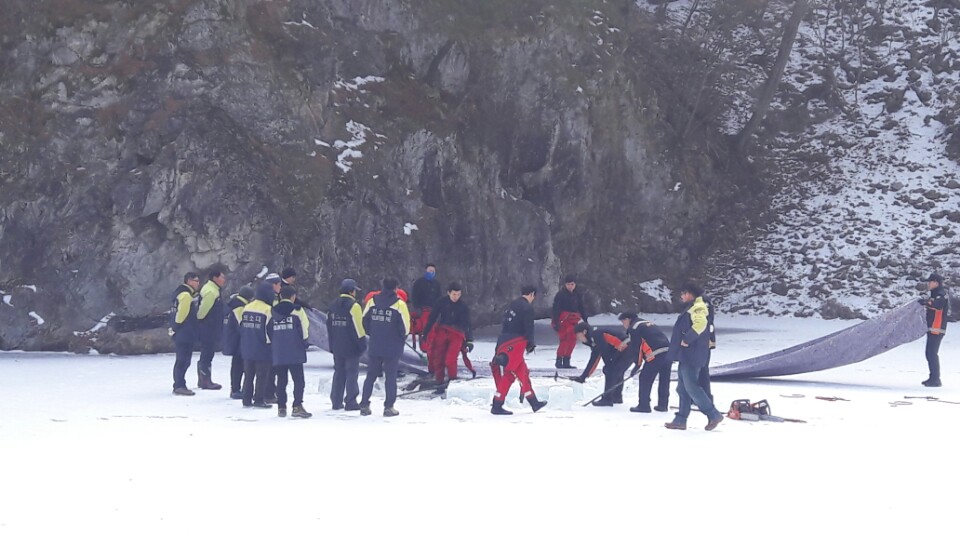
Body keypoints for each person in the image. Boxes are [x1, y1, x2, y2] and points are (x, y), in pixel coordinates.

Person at [664, 283, 724, 431]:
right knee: (682, 388)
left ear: (691, 294)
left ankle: (713, 414)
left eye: (684, 293)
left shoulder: (698, 307)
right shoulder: (693, 307)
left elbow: (701, 323)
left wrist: (687, 339)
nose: (682, 296)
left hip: (692, 354)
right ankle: (680, 420)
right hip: (686, 354)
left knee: (691, 387)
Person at [490, 285, 547, 415]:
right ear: (532, 294)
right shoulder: (527, 307)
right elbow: (529, 327)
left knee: (522, 371)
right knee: (510, 374)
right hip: (516, 343)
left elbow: (505, 324)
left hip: (504, 342)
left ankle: (533, 402)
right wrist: (530, 343)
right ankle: (497, 404)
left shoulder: (512, 305)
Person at [360, 277, 411, 417]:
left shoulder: (372, 301)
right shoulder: (399, 304)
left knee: (370, 376)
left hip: (375, 344)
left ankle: (364, 404)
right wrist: (399, 339)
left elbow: (364, 321)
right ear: (396, 288)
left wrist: (373, 334)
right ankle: (389, 407)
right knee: (390, 378)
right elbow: (405, 328)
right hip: (392, 347)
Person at [268, 285, 312, 418]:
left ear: (280, 296)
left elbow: (268, 329)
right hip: (295, 350)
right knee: (298, 380)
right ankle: (297, 406)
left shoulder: (272, 311)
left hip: (279, 351)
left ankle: (281, 407)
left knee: (281, 380)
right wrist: (304, 342)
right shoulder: (297, 310)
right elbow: (305, 328)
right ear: (293, 297)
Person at [617, 313, 672, 413]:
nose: (623, 325)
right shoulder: (646, 323)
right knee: (664, 379)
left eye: (623, 322)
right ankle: (663, 405)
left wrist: (637, 365)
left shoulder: (634, 328)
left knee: (644, 378)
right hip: (668, 352)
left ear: (627, 319)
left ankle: (644, 405)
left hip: (655, 354)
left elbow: (636, 349)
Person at [422, 282, 474, 386]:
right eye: (454, 294)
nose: (456, 297)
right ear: (448, 293)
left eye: (458, 295)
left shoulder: (463, 306)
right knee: (438, 358)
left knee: (450, 360)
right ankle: (439, 381)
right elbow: (432, 318)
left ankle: (452, 381)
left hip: (457, 334)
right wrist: (426, 333)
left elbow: (467, 324)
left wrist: (469, 340)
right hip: (442, 331)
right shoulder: (441, 302)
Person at [326, 278, 367, 411]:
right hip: (351, 345)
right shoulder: (354, 306)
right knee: (351, 373)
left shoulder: (332, 305)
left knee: (339, 372)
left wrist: (331, 344)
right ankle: (351, 401)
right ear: (351, 291)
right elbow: (359, 327)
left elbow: (329, 326)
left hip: (337, 344)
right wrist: (362, 344)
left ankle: (336, 401)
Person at [571, 322, 630, 406]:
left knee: (610, 371)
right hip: (625, 349)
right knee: (616, 371)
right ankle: (616, 397)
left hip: (626, 348)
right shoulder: (594, 337)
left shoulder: (596, 335)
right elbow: (594, 358)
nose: (578, 338)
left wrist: (608, 366)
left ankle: (607, 399)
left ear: (584, 332)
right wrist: (583, 377)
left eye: (578, 335)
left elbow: (604, 352)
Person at [240, 282, 276, 408]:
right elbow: (271, 331)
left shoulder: (247, 307)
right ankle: (259, 399)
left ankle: (246, 398)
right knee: (261, 376)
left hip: (247, 346)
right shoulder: (267, 310)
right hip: (262, 348)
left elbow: (242, 327)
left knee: (248, 375)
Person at [169, 272, 201, 396]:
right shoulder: (186, 295)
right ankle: (179, 385)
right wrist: (176, 326)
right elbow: (182, 313)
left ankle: (179, 384)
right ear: (189, 281)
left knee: (181, 359)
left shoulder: (179, 293)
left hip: (182, 332)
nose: (198, 283)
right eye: (196, 281)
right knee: (183, 360)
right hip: (185, 332)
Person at [223, 285, 255, 399]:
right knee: (238, 365)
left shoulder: (232, 304)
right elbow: (242, 324)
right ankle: (235, 389)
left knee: (237, 364)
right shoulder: (239, 307)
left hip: (233, 339)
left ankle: (235, 388)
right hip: (238, 341)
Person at [196, 269, 226, 390]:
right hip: (208, 328)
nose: (224, 280)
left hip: (210, 327)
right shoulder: (211, 291)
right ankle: (205, 380)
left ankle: (203, 379)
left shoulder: (213, 289)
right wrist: (201, 320)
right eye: (222, 277)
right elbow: (202, 311)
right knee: (207, 353)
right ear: (215, 278)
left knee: (207, 353)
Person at [552, 275, 588, 370]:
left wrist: (585, 321)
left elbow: (581, 308)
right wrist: (555, 322)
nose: (570, 286)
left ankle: (566, 361)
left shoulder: (577, 294)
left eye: (572, 284)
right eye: (568, 284)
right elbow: (555, 309)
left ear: (575, 284)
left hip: (574, 320)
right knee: (564, 340)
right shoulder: (560, 295)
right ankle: (559, 361)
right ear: (565, 284)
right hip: (563, 321)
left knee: (572, 340)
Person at [919, 273, 949, 387]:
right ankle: (933, 377)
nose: (928, 284)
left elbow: (937, 305)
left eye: (930, 282)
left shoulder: (941, 294)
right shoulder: (936, 293)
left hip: (937, 328)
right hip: (933, 328)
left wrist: (926, 302)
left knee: (932, 353)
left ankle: (936, 379)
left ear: (936, 282)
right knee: (929, 353)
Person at [410, 263, 442, 348]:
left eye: (433, 271)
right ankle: (425, 346)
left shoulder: (436, 284)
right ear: (426, 270)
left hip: (433, 310)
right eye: (430, 270)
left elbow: (439, 297)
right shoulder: (419, 282)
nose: (431, 272)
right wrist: (417, 307)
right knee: (426, 328)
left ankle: (433, 347)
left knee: (435, 329)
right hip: (423, 310)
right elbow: (414, 296)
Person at [697, 295, 718, 401]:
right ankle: (704, 396)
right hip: (706, 340)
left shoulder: (701, 303)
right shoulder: (705, 302)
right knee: (702, 370)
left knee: (701, 370)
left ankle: (704, 396)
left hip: (702, 341)